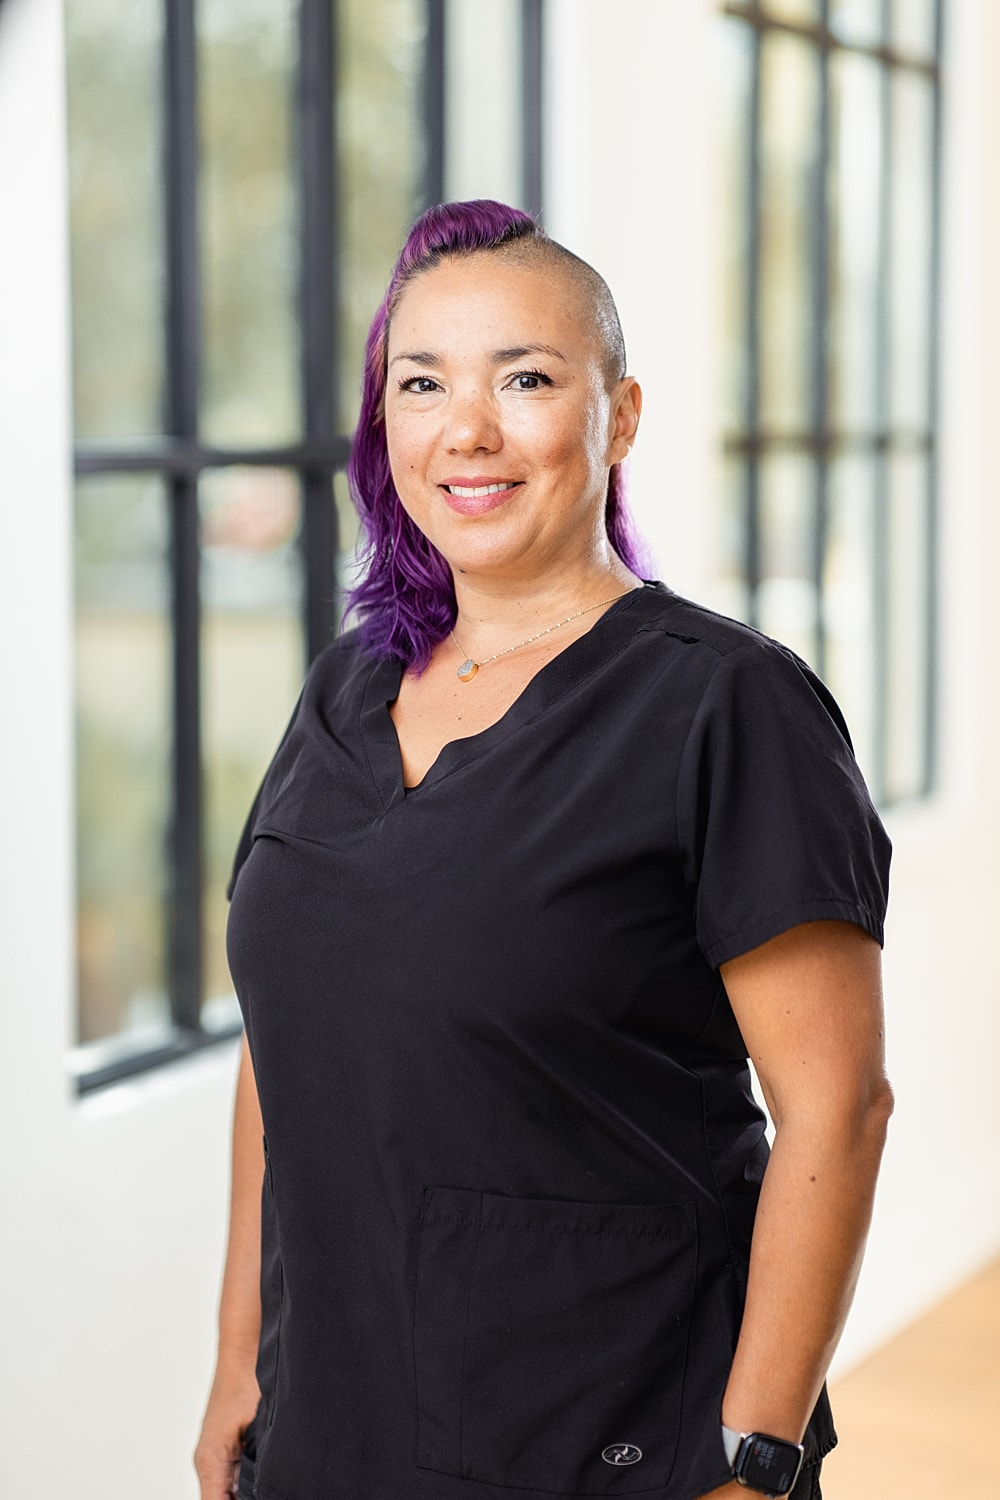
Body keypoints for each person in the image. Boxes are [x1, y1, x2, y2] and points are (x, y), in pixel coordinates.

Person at [194, 200, 893, 1500]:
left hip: (618, 1438)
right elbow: (278, 1051)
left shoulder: (728, 707)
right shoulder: (346, 695)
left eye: (525, 378)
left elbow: (837, 1110)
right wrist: (241, 1364)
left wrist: (754, 1456)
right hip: (331, 1426)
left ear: (617, 417)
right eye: (423, 383)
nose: (468, 429)